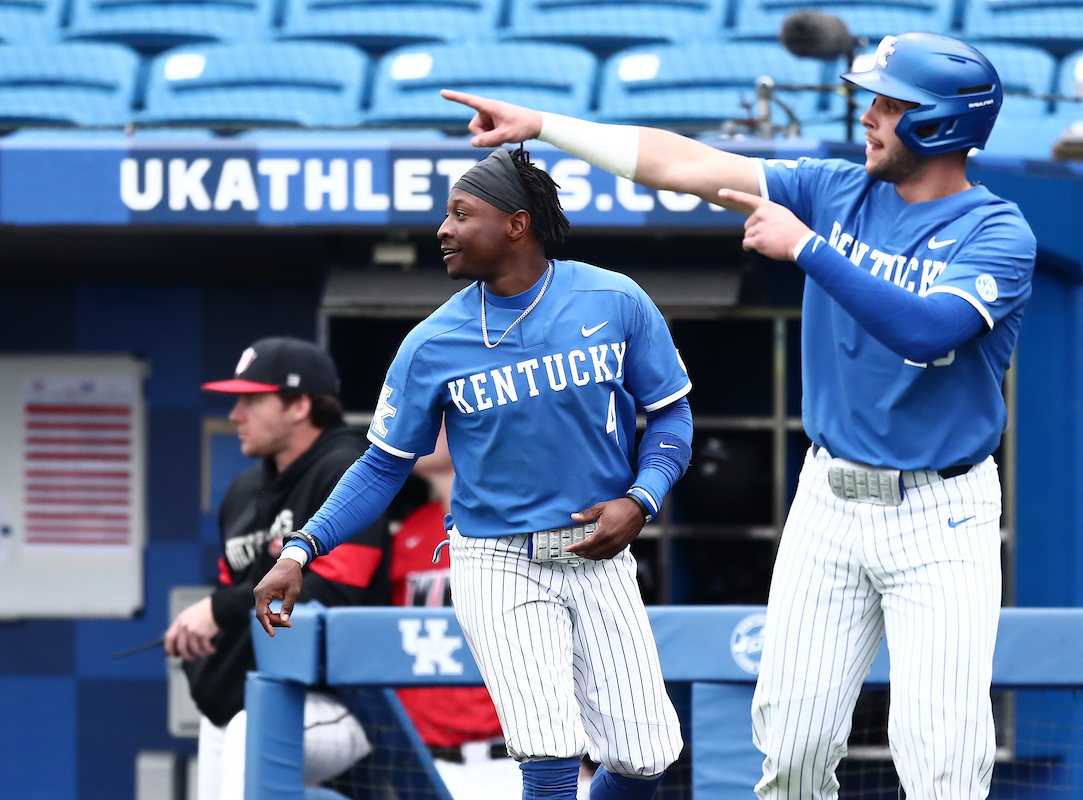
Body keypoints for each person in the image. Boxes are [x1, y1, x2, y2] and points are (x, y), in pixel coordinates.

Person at [439, 31, 1035, 800]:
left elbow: (926, 332)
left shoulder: (997, 232)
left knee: (942, 758)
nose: (870, 116)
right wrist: (546, 127)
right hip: (830, 500)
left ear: (943, 123)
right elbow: (684, 164)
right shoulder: (835, 188)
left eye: (892, 104)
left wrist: (809, 250)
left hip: (942, 511)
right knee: (790, 751)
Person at [253, 147, 694, 800]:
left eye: (462, 214)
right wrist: (302, 547)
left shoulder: (614, 297)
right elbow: (381, 468)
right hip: (496, 554)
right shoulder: (432, 342)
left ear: (517, 225)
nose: (443, 229)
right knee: (547, 744)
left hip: (597, 548)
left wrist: (643, 497)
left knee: (645, 755)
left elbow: (671, 417)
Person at [166, 336, 389, 800]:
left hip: (341, 702)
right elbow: (230, 591)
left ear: (299, 405)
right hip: (256, 696)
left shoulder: (346, 473)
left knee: (252, 726)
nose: (235, 415)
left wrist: (222, 609)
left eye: (251, 399)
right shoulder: (244, 492)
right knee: (224, 723)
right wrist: (211, 628)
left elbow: (334, 593)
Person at [390, 425, 523, 799]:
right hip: (425, 762)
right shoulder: (410, 532)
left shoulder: (517, 520)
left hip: (511, 758)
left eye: (437, 419)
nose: (418, 429)